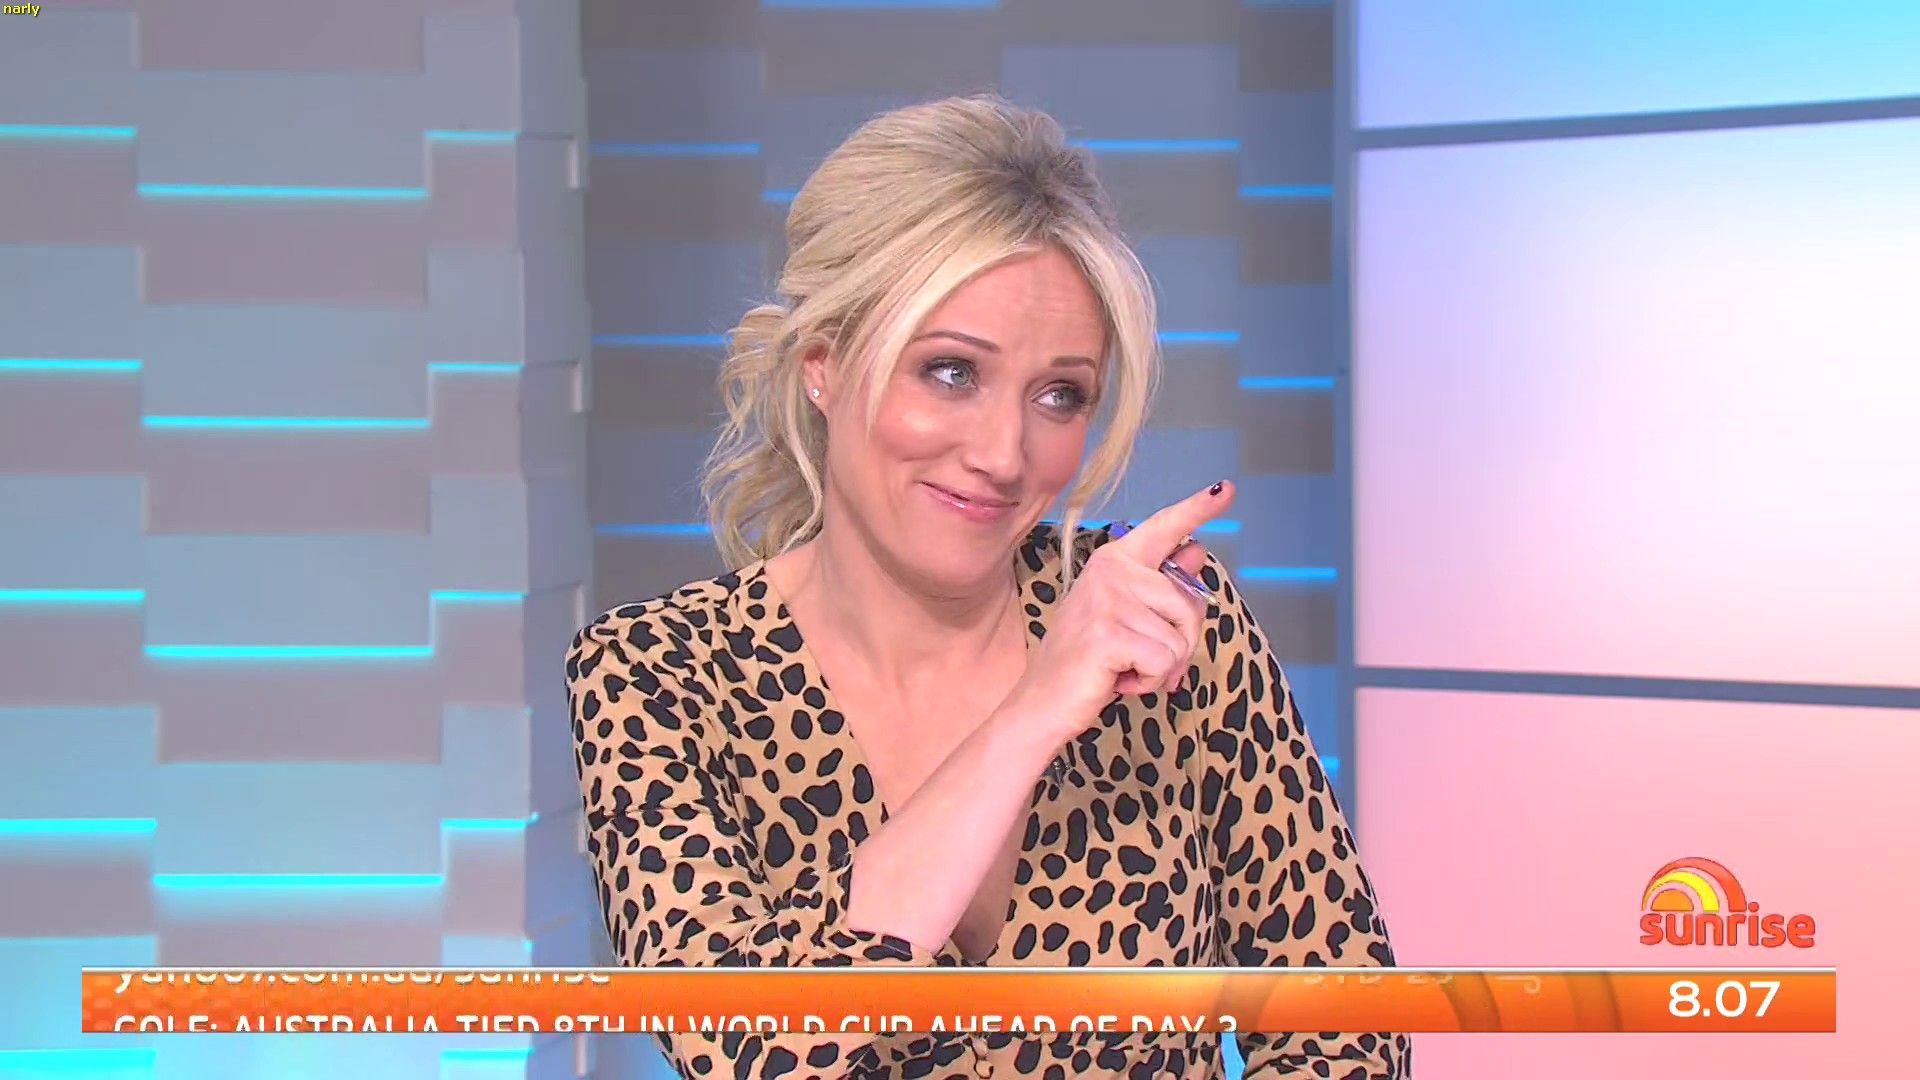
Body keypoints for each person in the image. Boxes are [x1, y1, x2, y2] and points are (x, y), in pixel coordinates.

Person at [565, 94, 1410, 1080]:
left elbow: (1346, 1031)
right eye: (952, 373)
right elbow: (748, 1047)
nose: (1005, 455)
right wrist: (1031, 715)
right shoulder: (655, 674)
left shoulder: (1164, 623)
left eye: (1060, 395)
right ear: (824, 365)